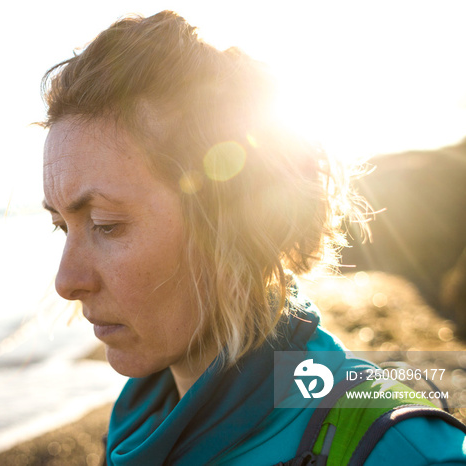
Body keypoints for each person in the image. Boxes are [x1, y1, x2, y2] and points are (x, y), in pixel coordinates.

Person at [40, 10, 466, 465]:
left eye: (106, 224)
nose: (66, 281)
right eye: (63, 226)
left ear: (236, 223)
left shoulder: (400, 451)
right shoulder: (131, 432)